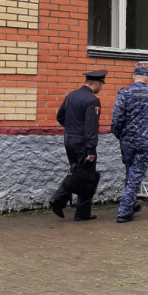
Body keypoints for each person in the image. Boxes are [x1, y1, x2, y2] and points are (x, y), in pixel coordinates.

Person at [50, 68, 107, 221]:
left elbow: (60, 116)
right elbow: (91, 127)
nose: (101, 88)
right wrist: (91, 149)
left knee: (79, 172)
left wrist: (72, 128)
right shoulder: (92, 101)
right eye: (101, 84)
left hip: (69, 140)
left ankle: (81, 212)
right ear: (96, 83)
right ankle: (60, 198)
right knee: (87, 176)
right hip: (83, 143)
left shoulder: (71, 96)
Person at [111, 65, 148, 223]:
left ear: (134, 77)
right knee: (136, 175)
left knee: (130, 172)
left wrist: (120, 135)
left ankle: (131, 204)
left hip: (127, 141)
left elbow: (116, 119)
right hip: (145, 142)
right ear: (147, 78)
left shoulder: (125, 93)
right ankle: (124, 211)